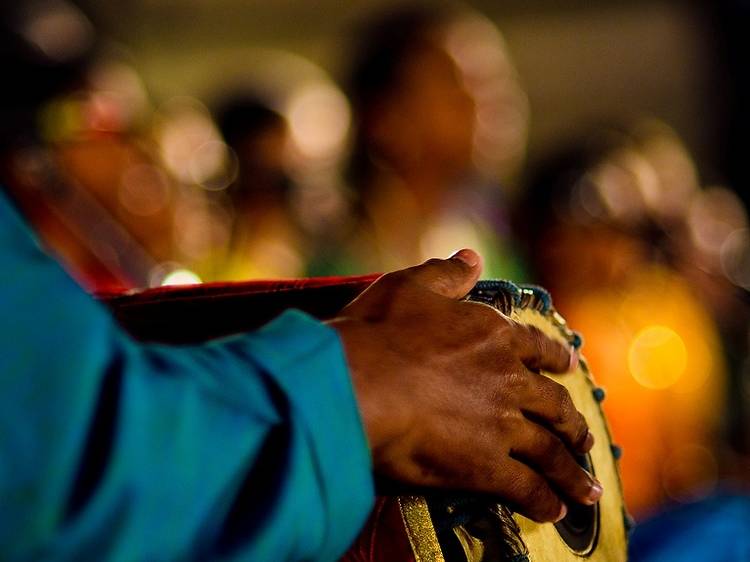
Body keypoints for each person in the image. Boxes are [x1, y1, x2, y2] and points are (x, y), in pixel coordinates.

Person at [0, 1, 602, 560]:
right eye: (106, 119)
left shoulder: (493, 246)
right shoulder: (316, 263)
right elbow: (68, 462)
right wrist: (363, 386)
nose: (144, 146)